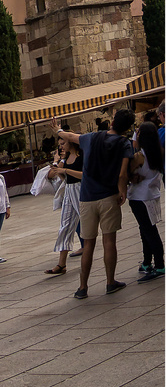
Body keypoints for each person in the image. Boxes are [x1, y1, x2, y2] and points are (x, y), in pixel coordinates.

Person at [57, 112, 135, 299]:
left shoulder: (92, 137)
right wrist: (122, 190)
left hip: (87, 198)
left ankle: (83, 287)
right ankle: (110, 282)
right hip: (108, 195)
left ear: (113, 122)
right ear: (127, 127)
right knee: (109, 241)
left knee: (88, 243)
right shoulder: (124, 143)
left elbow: (69, 136)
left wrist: (57, 129)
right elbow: (123, 174)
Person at [45, 131, 85, 275]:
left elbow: (85, 175)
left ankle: (88, 254)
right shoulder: (66, 157)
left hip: (81, 190)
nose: (61, 147)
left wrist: (65, 170)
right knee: (65, 225)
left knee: (87, 224)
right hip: (69, 190)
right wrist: (60, 168)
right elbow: (62, 177)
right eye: (60, 145)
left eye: (63, 144)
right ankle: (61, 264)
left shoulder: (82, 156)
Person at [129, 119, 163, 281]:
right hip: (152, 195)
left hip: (139, 197)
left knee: (148, 231)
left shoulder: (139, 156)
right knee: (147, 229)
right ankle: (147, 262)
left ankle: (159, 264)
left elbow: (126, 172)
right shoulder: (158, 151)